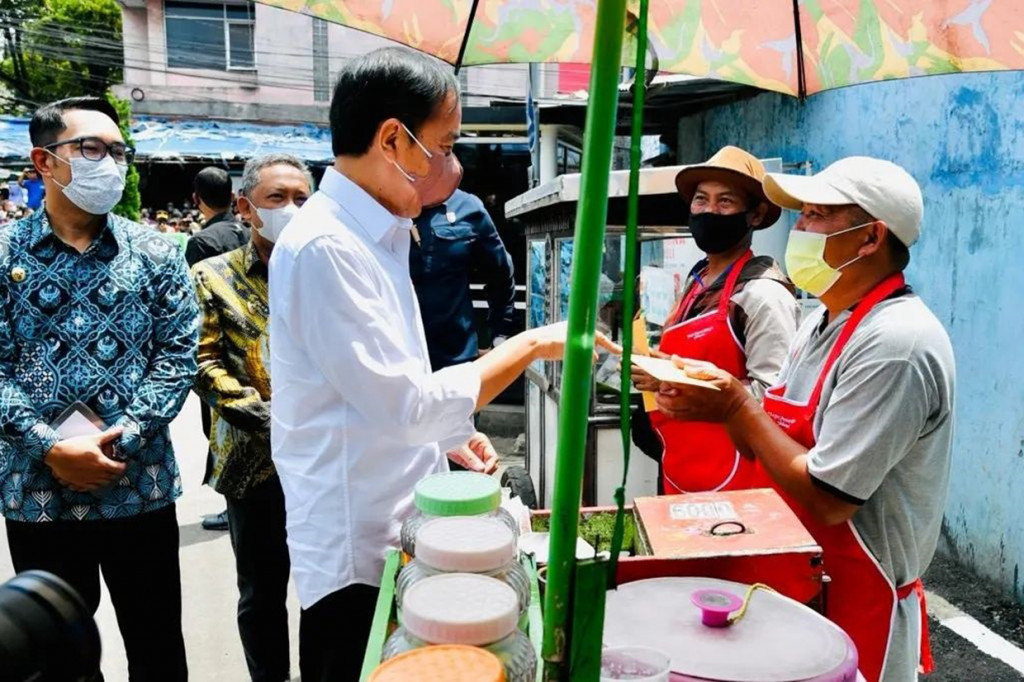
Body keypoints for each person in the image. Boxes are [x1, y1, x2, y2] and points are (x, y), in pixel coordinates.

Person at [268, 47, 611, 682]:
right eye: (445, 146)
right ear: (393, 140)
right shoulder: (327, 248)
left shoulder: (382, 232)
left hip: (399, 519)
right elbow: (402, 406)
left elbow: (395, 376)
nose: (453, 168)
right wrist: (530, 345)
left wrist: (455, 435)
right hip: (356, 545)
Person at [651, 157, 954, 682]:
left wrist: (734, 406)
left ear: (869, 238)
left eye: (816, 216)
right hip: (802, 582)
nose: (800, 231)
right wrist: (710, 395)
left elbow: (830, 498)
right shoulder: (820, 320)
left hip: (861, 597)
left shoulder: (895, 343)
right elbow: (768, 435)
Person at [0, 96, 198, 679]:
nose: (109, 162)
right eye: (91, 148)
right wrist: (50, 446)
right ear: (44, 160)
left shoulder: (158, 254)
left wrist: (124, 438)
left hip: (138, 484)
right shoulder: (4, 254)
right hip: (38, 490)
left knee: (158, 642)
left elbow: (177, 358)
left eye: (118, 151)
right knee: (55, 653)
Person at [192, 154, 312, 682]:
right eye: (277, 198)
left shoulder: (325, 272)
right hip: (252, 464)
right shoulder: (211, 277)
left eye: (303, 199)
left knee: (324, 587)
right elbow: (201, 361)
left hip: (321, 462)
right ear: (244, 207)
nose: (292, 208)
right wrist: (267, 417)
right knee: (261, 592)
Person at [631, 146, 798, 494]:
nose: (709, 211)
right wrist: (655, 375)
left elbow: (775, 401)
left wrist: (692, 389)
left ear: (755, 214)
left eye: (725, 202)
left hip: (738, 481)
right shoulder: (697, 282)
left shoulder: (763, 294)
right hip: (680, 468)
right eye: (701, 200)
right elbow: (682, 362)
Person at [187, 166, 251, 531]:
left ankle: (234, 508)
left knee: (221, 432)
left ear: (196, 200)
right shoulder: (245, 229)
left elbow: (197, 305)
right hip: (254, 347)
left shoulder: (202, 242)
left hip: (220, 354)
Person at [410, 185, 517, 370]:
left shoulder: (465, 206)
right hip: (391, 363)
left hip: (454, 364)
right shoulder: (379, 203)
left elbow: (501, 274)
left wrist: (500, 339)